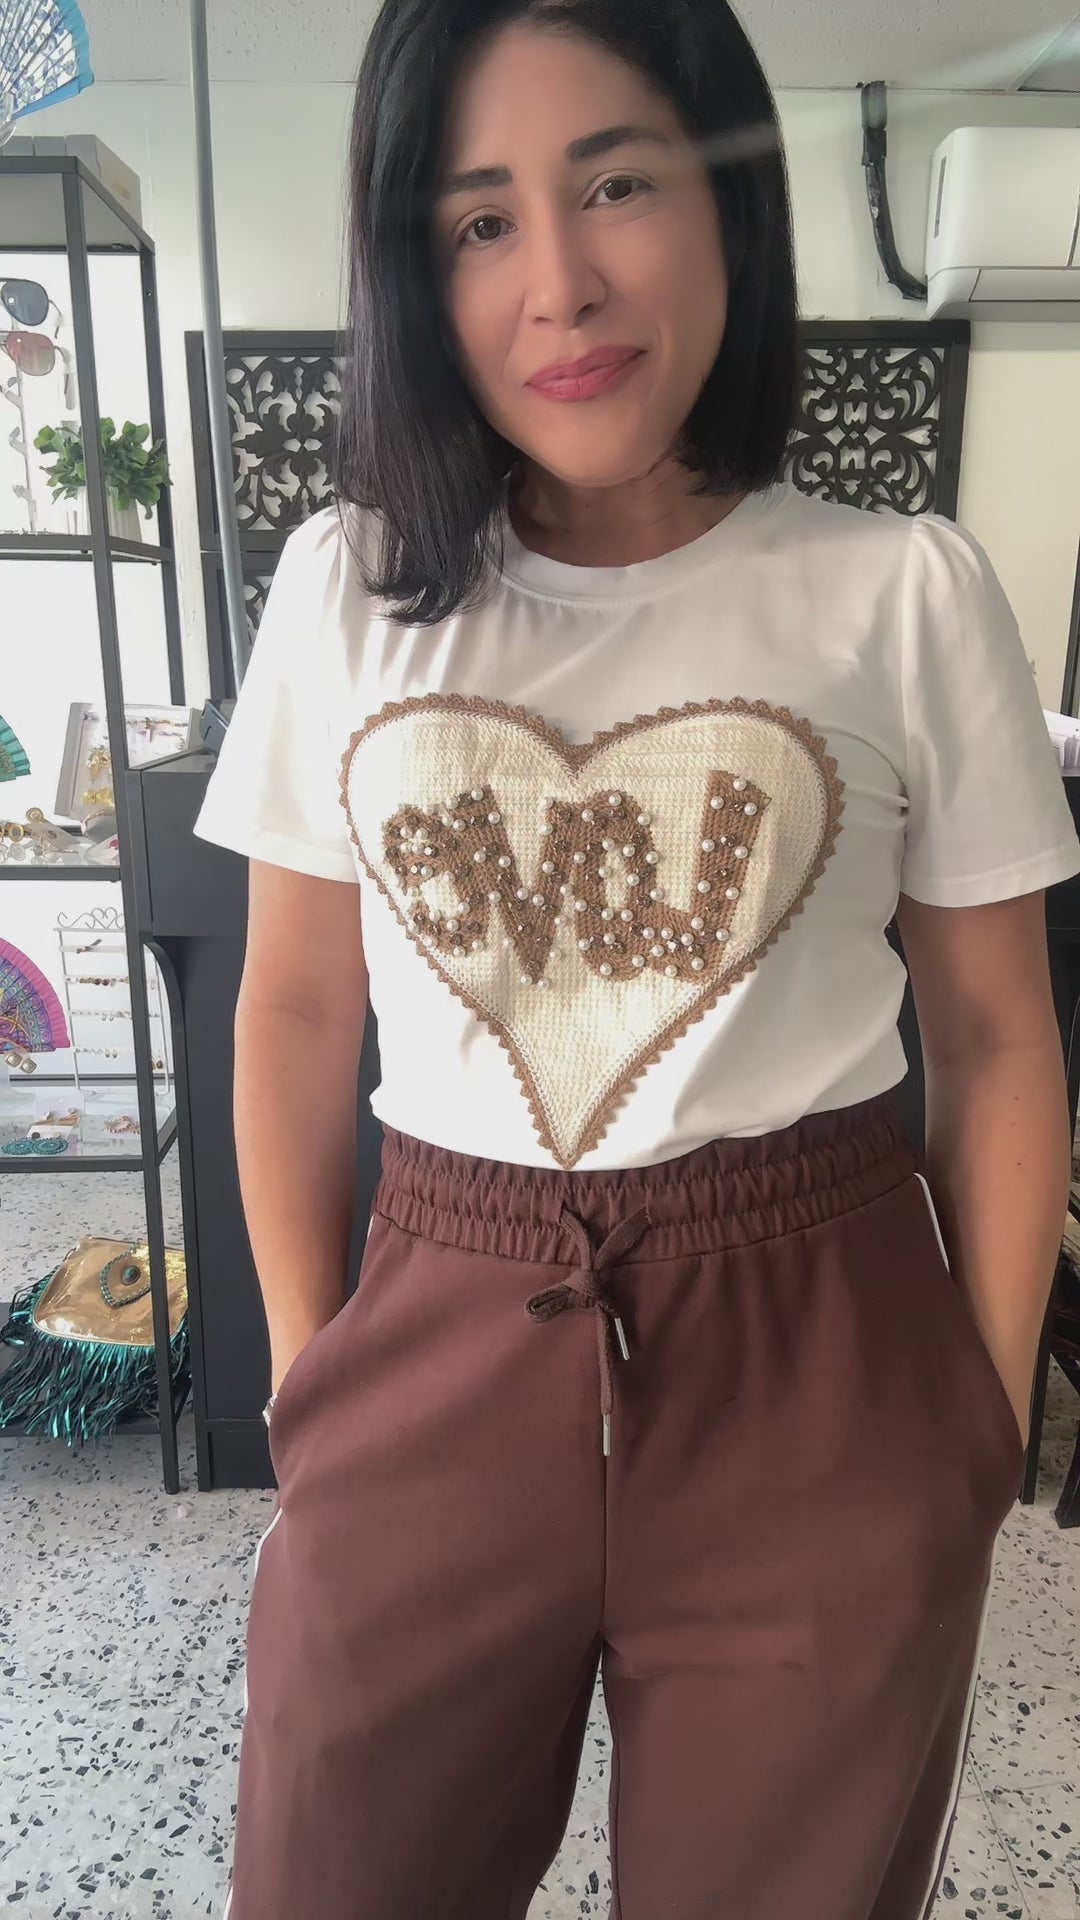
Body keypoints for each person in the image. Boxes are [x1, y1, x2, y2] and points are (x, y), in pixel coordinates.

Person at [193, 0, 1080, 1914]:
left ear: (727, 201)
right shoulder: (345, 591)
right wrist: (310, 1379)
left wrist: (979, 1426)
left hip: (823, 1352)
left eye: (615, 186)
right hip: (437, 1324)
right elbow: (295, 1003)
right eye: (478, 219)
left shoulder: (902, 592)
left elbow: (1000, 1035)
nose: (561, 283)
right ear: (413, 273)